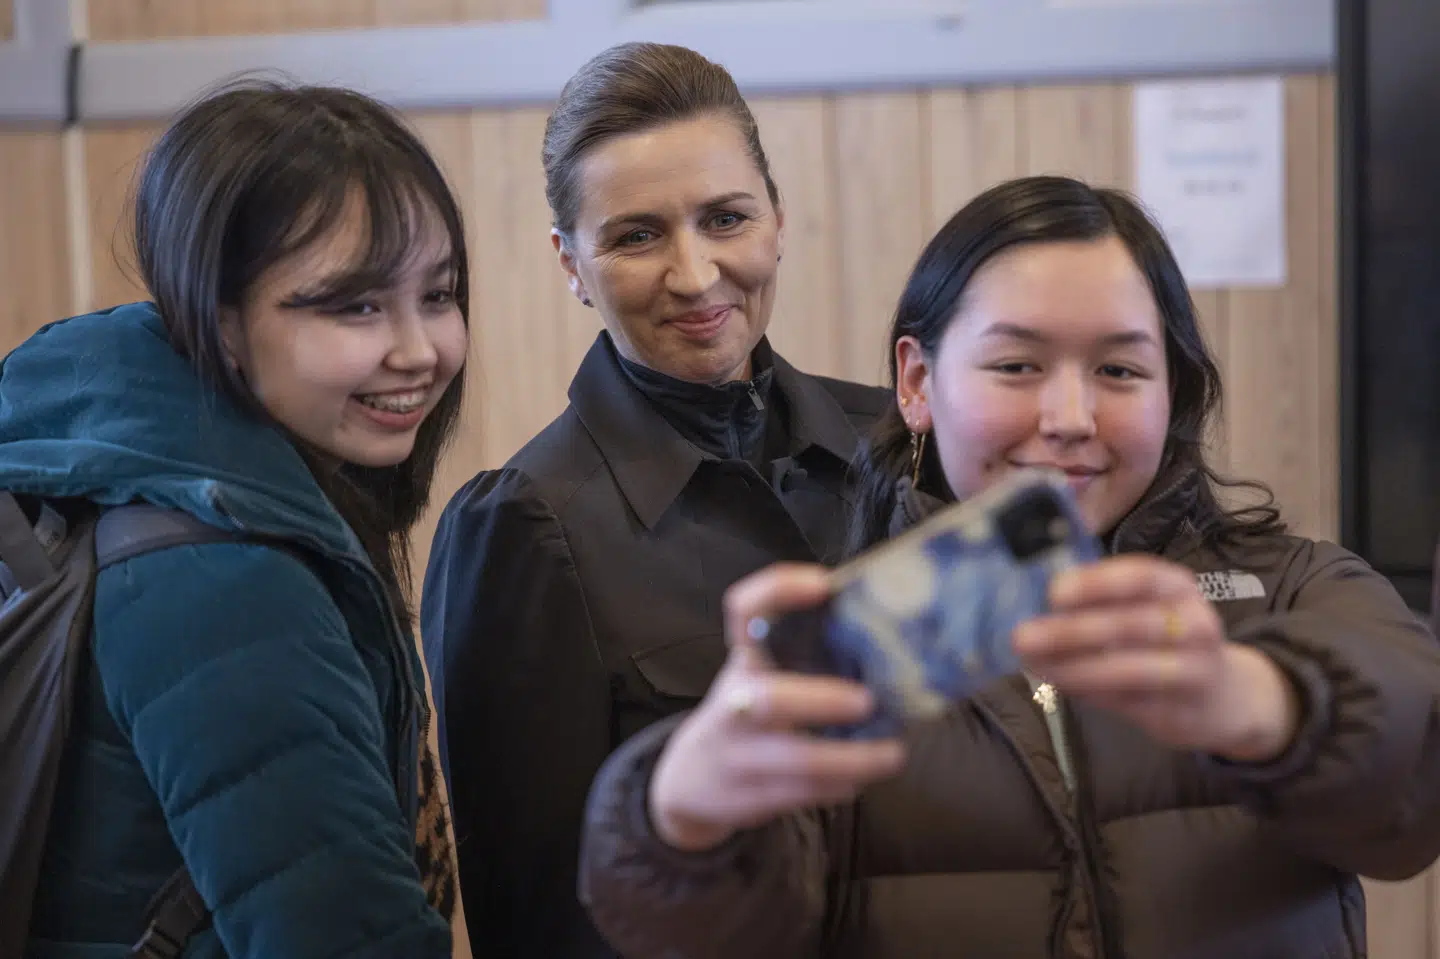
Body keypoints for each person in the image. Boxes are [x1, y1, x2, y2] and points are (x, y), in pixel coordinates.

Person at [577, 175, 1440, 959]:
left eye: (1119, 368)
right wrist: (677, 814)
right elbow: (697, 927)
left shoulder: (1292, 587)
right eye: (1017, 365)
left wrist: (1264, 704)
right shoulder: (847, 647)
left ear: (1170, 389)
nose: (1069, 416)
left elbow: (1415, 779)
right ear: (916, 383)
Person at [421, 41, 889, 957]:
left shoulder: (899, 447)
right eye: (636, 235)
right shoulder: (521, 524)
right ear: (569, 262)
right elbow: (539, 916)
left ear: (778, 218)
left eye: (726, 218)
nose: (696, 275)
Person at [8, 81, 468, 957]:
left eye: (437, 295)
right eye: (356, 305)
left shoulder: (130, 466)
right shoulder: (226, 584)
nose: (419, 349)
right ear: (221, 325)